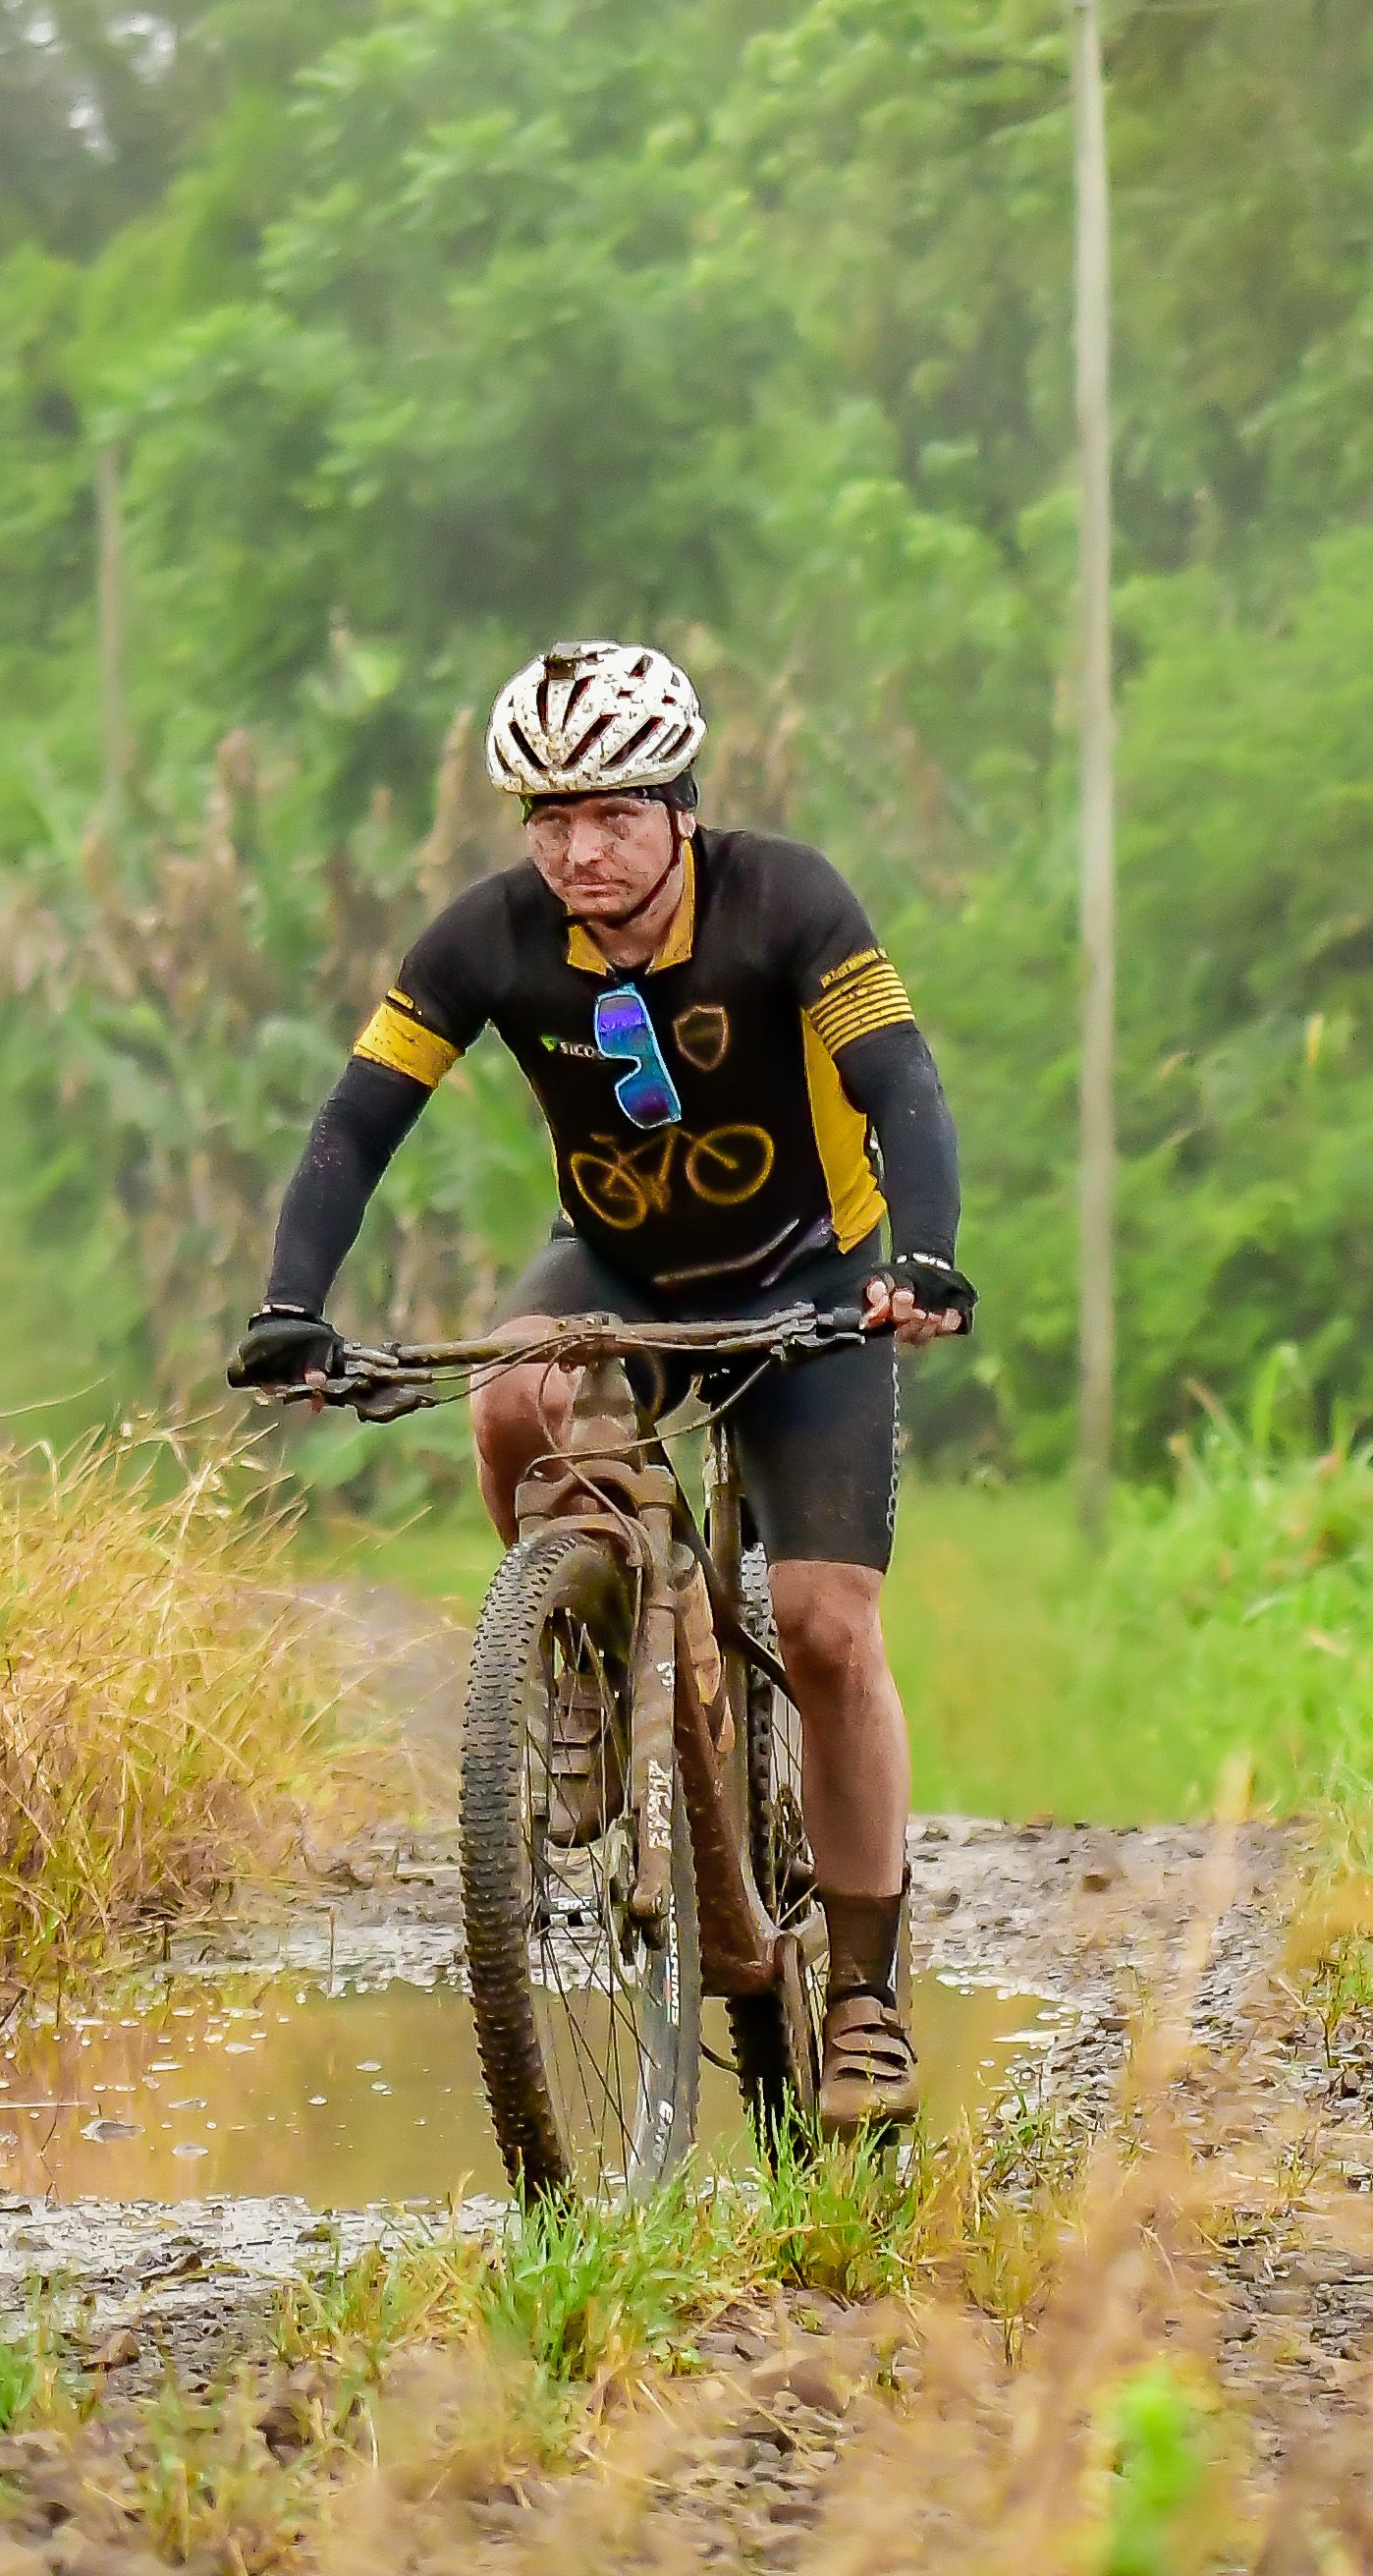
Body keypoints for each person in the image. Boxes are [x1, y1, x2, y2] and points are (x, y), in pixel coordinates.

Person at [227, 641, 972, 2134]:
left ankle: (866, 1998)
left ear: (682, 808)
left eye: (615, 815)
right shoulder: (487, 939)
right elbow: (359, 1120)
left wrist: (928, 1258)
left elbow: (900, 1080)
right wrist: (290, 1304)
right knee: (513, 1397)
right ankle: (576, 1653)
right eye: (551, 819)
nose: (581, 852)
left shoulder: (788, 901)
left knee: (827, 1630)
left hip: (810, 1272)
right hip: (620, 1264)